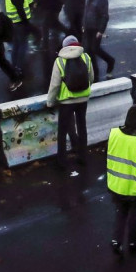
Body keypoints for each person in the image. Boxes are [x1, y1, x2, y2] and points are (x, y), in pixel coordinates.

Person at [106, 104, 136, 255]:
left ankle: (116, 241)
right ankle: (134, 242)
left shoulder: (113, 133)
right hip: (133, 188)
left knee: (121, 212)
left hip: (114, 184)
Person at [46, 35, 92, 171]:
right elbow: (91, 78)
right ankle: (82, 157)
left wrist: (50, 102)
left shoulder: (60, 61)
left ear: (64, 46)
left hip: (66, 101)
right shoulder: (86, 57)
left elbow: (54, 85)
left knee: (62, 131)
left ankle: (62, 161)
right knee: (82, 127)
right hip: (83, 99)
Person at [83, 0, 116, 77]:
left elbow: (104, 16)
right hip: (88, 27)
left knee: (95, 49)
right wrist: (83, 25)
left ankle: (110, 61)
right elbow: (87, 12)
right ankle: (93, 72)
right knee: (88, 50)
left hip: (96, 28)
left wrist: (101, 31)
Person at [5, 0, 37, 76]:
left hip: (14, 24)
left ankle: (14, 65)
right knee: (23, 46)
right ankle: (19, 67)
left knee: (16, 45)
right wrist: (27, 24)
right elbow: (21, 12)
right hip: (20, 24)